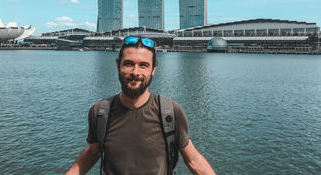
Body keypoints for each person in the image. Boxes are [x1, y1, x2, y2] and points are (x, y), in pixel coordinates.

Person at [66, 36, 216, 175]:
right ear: (118, 65)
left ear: (153, 69)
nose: (135, 72)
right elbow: (93, 152)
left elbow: (193, 160)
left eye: (143, 65)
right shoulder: (100, 111)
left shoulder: (170, 112)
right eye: (129, 64)